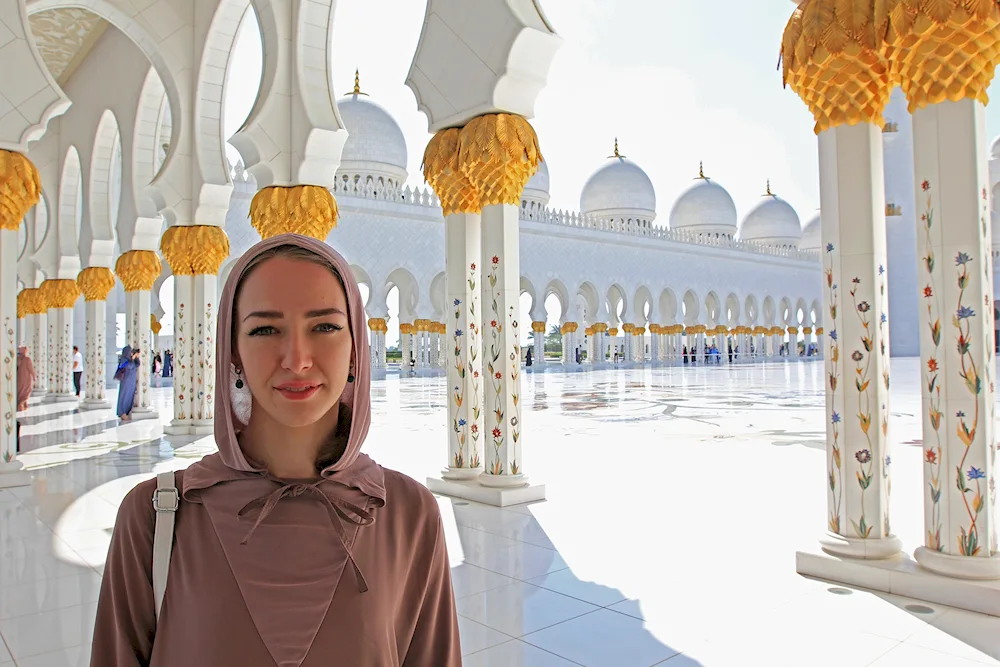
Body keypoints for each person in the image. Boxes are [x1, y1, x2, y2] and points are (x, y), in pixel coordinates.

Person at [91, 234, 461, 665]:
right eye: (265, 329)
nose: (296, 358)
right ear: (233, 352)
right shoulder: (156, 517)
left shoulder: (407, 515)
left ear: (357, 347)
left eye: (325, 326)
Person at [16, 346, 33, 453]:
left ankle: (22, 404)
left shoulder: (18, 359)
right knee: (27, 390)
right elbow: (31, 369)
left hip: (19, 378)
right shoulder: (27, 359)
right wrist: (35, 376)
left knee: (21, 390)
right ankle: (22, 405)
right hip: (26, 378)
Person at [115, 346, 140, 421]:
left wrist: (136, 357)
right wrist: (131, 360)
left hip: (131, 381)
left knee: (129, 396)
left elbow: (137, 365)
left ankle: (126, 411)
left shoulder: (130, 359)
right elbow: (126, 366)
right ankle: (121, 412)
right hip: (126, 381)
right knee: (124, 396)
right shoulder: (124, 359)